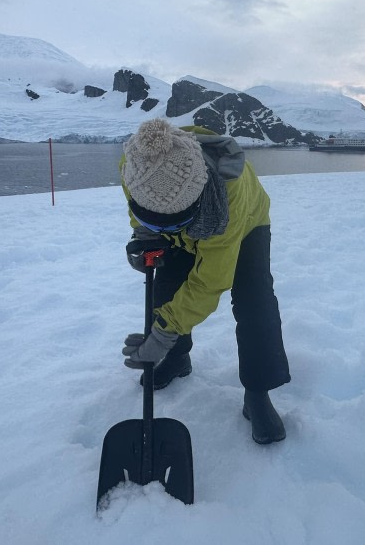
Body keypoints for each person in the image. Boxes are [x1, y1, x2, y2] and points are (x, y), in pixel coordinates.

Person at [118, 118, 291, 444]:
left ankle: (257, 392)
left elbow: (210, 281)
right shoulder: (135, 162)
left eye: (173, 224)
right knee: (166, 286)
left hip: (244, 224)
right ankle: (178, 358)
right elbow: (135, 205)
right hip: (175, 218)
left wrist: (162, 334)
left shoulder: (230, 194)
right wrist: (143, 235)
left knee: (255, 301)